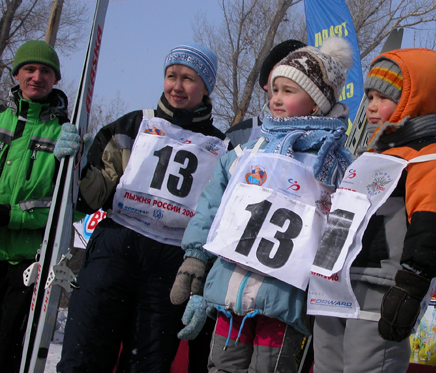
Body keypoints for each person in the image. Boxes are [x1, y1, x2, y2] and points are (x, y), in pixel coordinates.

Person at [170, 36, 355, 373]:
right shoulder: (248, 152)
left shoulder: (334, 165)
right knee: (221, 367)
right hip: (229, 291)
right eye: (273, 91)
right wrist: (195, 260)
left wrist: (327, 293)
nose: (276, 99)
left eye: (287, 91)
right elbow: (213, 205)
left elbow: (342, 231)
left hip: (283, 300)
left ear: (315, 103)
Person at [56, 43, 229, 373]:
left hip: (171, 266)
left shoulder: (223, 147)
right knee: (84, 354)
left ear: (206, 87)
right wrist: (77, 166)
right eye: (171, 76)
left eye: (188, 78)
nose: (177, 86)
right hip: (116, 247)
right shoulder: (136, 124)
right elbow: (95, 194)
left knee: (147, 365)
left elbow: (220, 219)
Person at [310, 48, 436, 373]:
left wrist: (410, 286)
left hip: (380, 290)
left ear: (414, 99)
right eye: (368, 96)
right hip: (333, 286)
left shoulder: (434, 158)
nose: (369, 106)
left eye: (381, 97)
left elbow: (432, 228)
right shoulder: (369, 157)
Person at [0, 40, 77, 372]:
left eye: (46, 71)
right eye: (29, 69)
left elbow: (63, 210)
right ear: (16, 74)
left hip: (26, 264)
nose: (36, 77)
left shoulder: (63, 134)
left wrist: (12, 216)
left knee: (6, 352)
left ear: (56, 79)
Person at [224, 39, 306, 148]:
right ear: (266, 84)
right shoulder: (237, 135)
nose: (286, 79)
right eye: (278, 71)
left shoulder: (330, 135)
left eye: (295, 74)